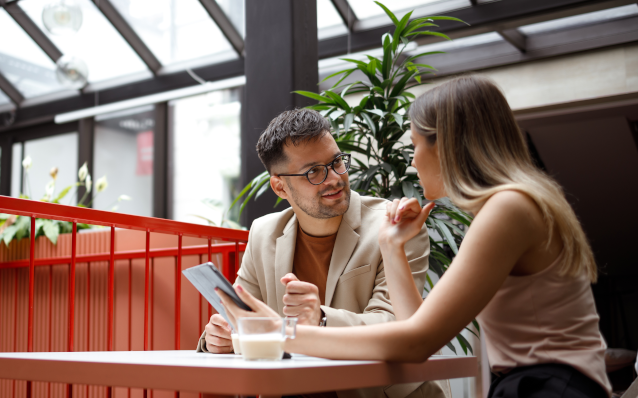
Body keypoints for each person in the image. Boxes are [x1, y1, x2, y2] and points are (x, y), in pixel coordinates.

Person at [217, 75, 612, 398]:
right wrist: (392, 244)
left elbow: (415, 341)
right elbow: (414, 327)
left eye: (416, 143)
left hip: (552, 388)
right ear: (280, 186)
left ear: (448, 147)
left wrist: (282, 333)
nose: (413, 157)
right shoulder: (514, 203)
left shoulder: (508, 209)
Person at [197, 108, 449, 398]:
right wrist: (219, 336)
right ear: (280, 186)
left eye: (337, 162)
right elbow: (244, 315)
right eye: (313, 171)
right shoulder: (264, 232)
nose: (334, 178)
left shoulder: (395, 226)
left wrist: (321, 318)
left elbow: (400, 327)